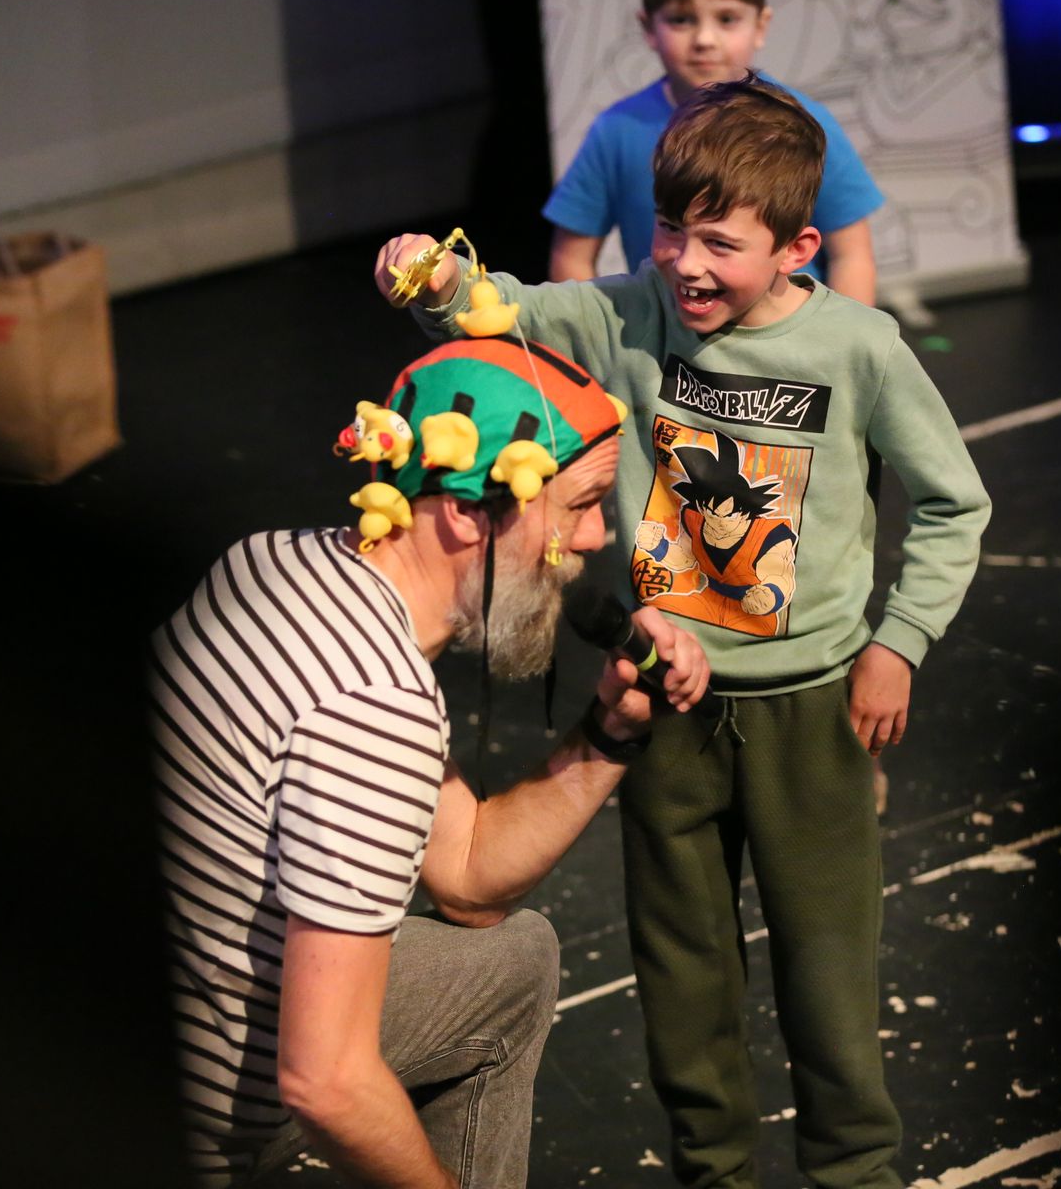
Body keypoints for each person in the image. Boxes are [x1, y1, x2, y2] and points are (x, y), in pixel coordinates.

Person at [376, 77, 989, 1188]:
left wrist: (897, 639)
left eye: (720, 241)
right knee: (683, 979)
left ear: (798, 246)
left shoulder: (859, 348)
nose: (685, 261)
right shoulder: (631, 312)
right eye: (669, 229)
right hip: (664, 701)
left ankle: (858, 1174)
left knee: (831, 983)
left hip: (812, 711)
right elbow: (497, 309)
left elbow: (956, 502)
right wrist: (437, 276)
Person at [150, 338, 711, 1187]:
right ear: (466, 513)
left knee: (512, 964)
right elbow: (325, 1079)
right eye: (583, 504)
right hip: (197, 1114)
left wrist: (613, 732)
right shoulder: (374, 708)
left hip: (139, 1017)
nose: (598, 538)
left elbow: (467, 876)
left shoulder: (270, 559)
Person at [544, 0, 884, 307]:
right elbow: (571, 257)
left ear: (760, 24)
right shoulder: (617, 130)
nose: (704, 39)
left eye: (726, 18)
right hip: (666, 352)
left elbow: (852, 254)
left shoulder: (806, 126)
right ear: (649, 28)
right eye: (682, 19)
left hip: (791, 354)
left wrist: (842, 357)